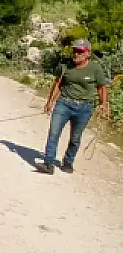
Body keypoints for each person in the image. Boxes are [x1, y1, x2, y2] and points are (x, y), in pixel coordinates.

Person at [36, 39, 112, 175]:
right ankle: (48, 163)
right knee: (54, 132)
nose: (76, 54)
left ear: (87, 53)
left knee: (75, 138)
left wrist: (103, 105)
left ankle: (68, 162)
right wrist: (50, 102)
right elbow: (57, 84)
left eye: (80, 51)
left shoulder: (95, 68)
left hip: (84, 108)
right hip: (64, 103)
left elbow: (101, 87)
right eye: (75, 51)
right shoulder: (65, 65)